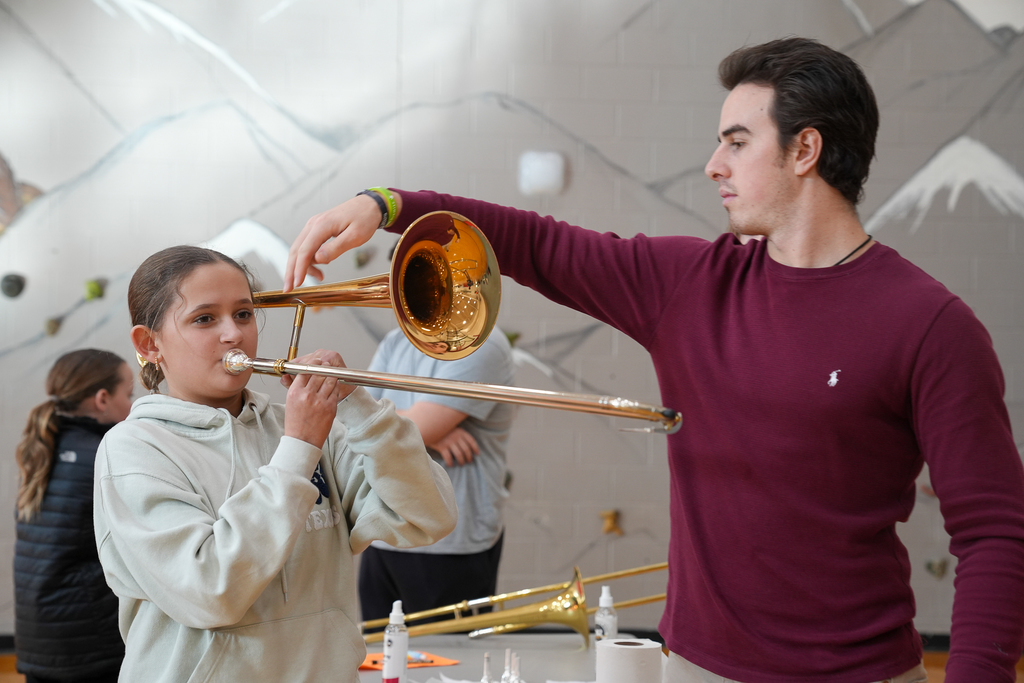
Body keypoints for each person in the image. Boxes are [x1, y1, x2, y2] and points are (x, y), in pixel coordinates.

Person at [283, 37, 1024, 683]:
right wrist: (387, 203)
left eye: (737, 141)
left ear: (806, 149)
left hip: (857, 672)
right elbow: (538, 244)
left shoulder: (931, 324)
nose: (713, 164)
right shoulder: (689, 283)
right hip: (694, 663)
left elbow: (994, 530)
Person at [92, 245, 457, 683]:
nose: (234, 334)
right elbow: (210, 592)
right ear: (149, 344)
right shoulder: (133, 448)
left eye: (243, 314)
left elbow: (429, 517)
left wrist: (357, 406)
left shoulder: (301, 425)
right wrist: (299, 448)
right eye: (205, 319)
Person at [358, 325, 515, 625]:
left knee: (447, 665)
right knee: (380, 662)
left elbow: (368, 420)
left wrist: (413, 428)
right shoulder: (397, 338)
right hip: (382, 530)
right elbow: (352, 417)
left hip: (449, 543)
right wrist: (418, 428)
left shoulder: (484, 344)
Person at [14, 349, 133, 683]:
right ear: (102, 398)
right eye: (129, 394)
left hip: (41, 638)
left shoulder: (47, 446)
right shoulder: (100, 456)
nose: (132, 405)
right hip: (85, 641)